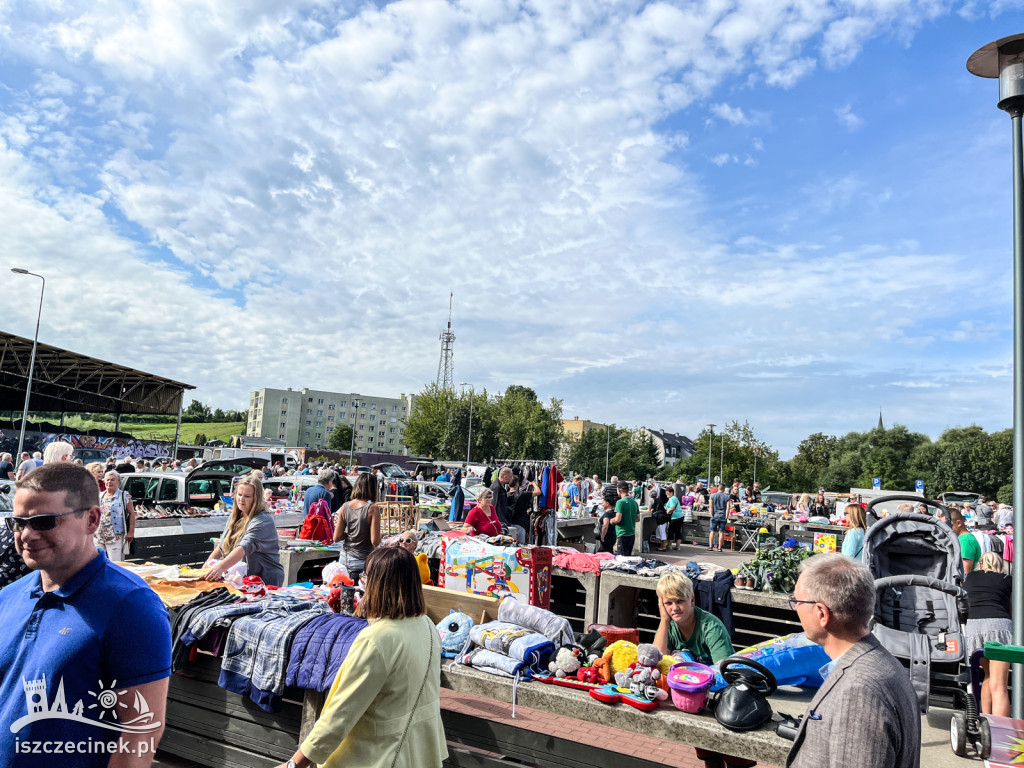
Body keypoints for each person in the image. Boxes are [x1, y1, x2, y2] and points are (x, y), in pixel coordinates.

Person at [0, 463, 170, 766]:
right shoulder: (9, 597)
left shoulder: (131, 606)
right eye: (18, 522)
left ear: (91, 519)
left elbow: (141, 734)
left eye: (43, 521)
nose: (26, 535)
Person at [276, 547, 446, 768]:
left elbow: (340, 713)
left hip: (379, 757)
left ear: (377, 584)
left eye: (365, 577)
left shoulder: (376, 639)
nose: (361, 582)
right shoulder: (427, 626)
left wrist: (294, 764)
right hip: (421, 754)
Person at [785, 554, 920, 768]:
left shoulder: (859, 692)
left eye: (797, 601)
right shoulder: (883, 663)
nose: (795, 608)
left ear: (821, 613)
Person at [203, 474, 284, 586]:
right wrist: (206, 566)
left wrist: (220, 567)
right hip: (243, 579)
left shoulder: (263, 520)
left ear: (256, 498)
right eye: (239, 495)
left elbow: (243, 547)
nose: (241, 499)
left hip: (265, 579)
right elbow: (223, 545)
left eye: (247, 496)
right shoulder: (235, 516)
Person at [963, 552, 1012, 717]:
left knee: (988, 675)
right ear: (1000, 565)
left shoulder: (969, 578)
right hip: (999, 626)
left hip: (974, 627)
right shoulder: (1006, 580)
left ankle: (983, 721)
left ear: (981, 564)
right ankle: (1000, 732)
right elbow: (1013, 609)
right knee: (1000, 686)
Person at [653, 571, 733, 665]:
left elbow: (722, 668)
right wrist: (664, 620)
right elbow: (656, 660)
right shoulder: (667, 625)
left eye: (680, 601)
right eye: (668, 603)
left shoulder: (711, 626)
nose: (675, 608)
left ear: (692, 600)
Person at [333, 473, 381, 581]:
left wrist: (349, 533)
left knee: (342, 595)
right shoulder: (373, 509)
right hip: (361, 562)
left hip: (344, 559)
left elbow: (336, 537)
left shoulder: (345, 506)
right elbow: (375, 541)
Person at [94, 470, 136, 561]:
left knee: (115, 562)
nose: (109, 482)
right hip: (99, 535)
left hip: (115, 536)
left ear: (119, 482)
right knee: (98, 561)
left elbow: (132, 513)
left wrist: (131, 532)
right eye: (107, 480)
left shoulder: (124, 496)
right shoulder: (100, 496)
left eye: (112, 480)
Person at [610, 481, 640, 556]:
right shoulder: (634, 502)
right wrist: (629, 519)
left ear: (619, 490)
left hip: (622, 534)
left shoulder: (620, 503)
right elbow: (638, 518)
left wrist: (611, 521)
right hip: (631, 534)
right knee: (628, 557)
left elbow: (618, 519)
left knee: (622, 559)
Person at [507, 475, 537, 544]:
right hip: (520, 523)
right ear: (517, 484)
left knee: (511, 545)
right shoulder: (523, 494)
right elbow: (538, 492)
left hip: (509, 524)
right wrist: (533, 483)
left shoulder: (505, 495)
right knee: (520, 547)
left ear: (508, 485)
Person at [950, 509, 981, 573]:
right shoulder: (962, 539)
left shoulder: (965, 541)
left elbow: (965, 574)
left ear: (958, 523)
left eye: (949, 525)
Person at [709, 484, 731, 552]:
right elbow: (728, 508)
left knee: (712, 531)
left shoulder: (712, 496)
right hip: (722, 516)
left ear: (718, 488)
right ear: (724, 489)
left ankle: (710, 546)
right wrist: (726, 517)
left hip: (715, 515)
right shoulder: (727, 497)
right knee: (721, 532)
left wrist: (711, 515)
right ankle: (720, 547)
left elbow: (710, 507)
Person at [597, 485, 619, 553]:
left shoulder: (607, 514)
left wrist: (602, 536)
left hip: (606, 538)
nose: (602, 505)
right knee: (609, 552)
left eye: (603, 503)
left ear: (607, 503)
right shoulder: (614, 512)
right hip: (612, 536)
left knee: (603, 553)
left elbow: (605, 525)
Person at [665, 485, 684, 550]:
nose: (666, 494)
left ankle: (669, 545)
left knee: (670, 531)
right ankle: (678, 546)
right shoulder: (675, 498)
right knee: (678, 531)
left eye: (667, 493)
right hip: (680, 516)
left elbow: (672, 508)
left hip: (674, 517)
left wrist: (667, 512)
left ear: (671, 493)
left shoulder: (672, 499)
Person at [651, 487, 669, 551]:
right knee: (662, 532)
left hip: (660, 518)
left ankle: (663, 547)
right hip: (664, 517)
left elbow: (651, 509)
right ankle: (662, 546)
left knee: (662, 533)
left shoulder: (653, 500)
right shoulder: (660, 500)